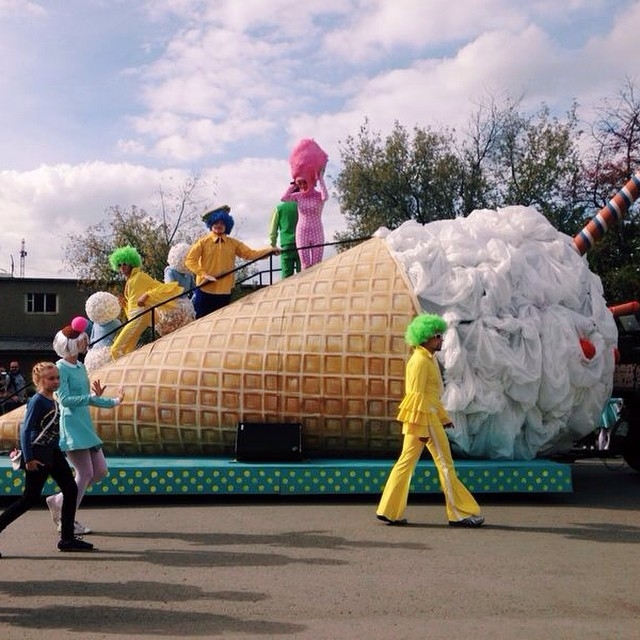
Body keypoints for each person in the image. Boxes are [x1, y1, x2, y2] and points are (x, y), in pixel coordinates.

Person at [376, 314, 485, 528]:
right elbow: (416, 397)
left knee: (405, 464)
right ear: (425, 337)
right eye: (437, 336)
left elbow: (429, 397)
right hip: (424, 422)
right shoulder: (420, 362)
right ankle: (460, 513)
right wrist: (423, 427)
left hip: (425, 420)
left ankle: (389, 510)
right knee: (445, 465)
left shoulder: (426, 359)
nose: (441, 340)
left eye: (441, 335)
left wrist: (443, 418)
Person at [0, 361, 94, 555]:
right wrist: (29, 458)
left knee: (70, 489)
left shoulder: (53, 399)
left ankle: (67, 539)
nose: (56, 381)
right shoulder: (37, 400)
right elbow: (26, 430)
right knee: (29, 498)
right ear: (39, 380)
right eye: (51, 379)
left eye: (58, 378)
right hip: (38, 452)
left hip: (53, 451)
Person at [45, 323, 125, 536]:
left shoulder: (80, 366)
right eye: (81, 339)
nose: (86, 341)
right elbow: (64, 400)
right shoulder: (60, 368)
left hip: (84, 424)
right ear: (70, 344)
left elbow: (91, 399)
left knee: (99, 472)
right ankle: (67, 520)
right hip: (71, 425)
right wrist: (91, 397)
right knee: (85, 473)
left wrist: (114, 402)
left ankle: (59, 501)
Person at [185, 205, 279, 318]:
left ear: (227, 225)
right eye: (216, 222)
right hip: (205, 290)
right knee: (199, 323)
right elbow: (190, 260)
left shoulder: (233, 243)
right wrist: (204, 274)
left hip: (224, 292)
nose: (219, 225)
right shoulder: (202, 242)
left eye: (222, 223)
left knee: (220, 323)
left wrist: (269, 251)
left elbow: (250, 254)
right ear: (211, 224)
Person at [108, 245, 183, 359]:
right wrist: (125, 305)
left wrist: (147, 295)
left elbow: (161, 287)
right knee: (127, 351)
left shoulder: (140, 276)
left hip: (141, 315)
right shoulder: (129, 281)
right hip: (136, 317)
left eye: (125, 263)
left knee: (115, 350)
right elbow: (132, 311)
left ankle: (122, 373)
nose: (122, 267)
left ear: (131, 263)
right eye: (119, 265)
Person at [281, 173, 328, 269]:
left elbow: (325, 197)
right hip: (302, 232)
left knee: (317, 264)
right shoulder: (298, 196)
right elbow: (284, 198)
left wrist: (320, 179)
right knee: (305, 265)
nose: (302, 186)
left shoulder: (319, 195)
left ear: (311, 182)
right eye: (300, 183)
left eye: (305, 182)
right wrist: (294, 184)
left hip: (317, 231)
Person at [269, 200, 301, 278]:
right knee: (304, 274)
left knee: (286, 277)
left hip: (286, 245)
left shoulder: (279, 208)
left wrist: (273, 244)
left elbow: (273, 230)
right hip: (302, 244)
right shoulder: (302, 206)